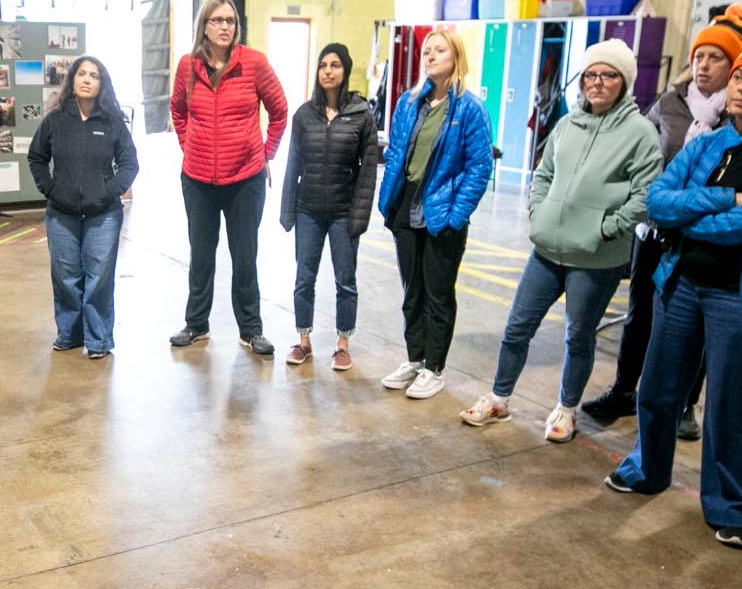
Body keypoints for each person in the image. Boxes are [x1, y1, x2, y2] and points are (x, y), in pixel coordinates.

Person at [604, 30, 742, 550]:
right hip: (683, 282)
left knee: (730, 402)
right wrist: (723, 197)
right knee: (657, 388)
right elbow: (659, 201)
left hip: (741, 293)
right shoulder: (711, 142)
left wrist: (691, 218)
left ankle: (733, 507)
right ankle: (646, 469)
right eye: (738, 76)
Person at [460, 39, 661, 440]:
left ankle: (566, 409)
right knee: (517, 327)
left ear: (624, 81)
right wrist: (540, 212)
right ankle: (499, 397)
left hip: (596, 257)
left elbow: (647, 193)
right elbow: (544, 172)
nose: (598, 82)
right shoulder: (568, 124)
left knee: (578, 336)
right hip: (547, 248)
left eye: (608, 75)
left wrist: (607, 227)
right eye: (591, 74)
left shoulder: (640, 133)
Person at [583, 5, 742, 430]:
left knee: (695, 320)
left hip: (704, 234)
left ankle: (684, 404)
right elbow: (644, 157)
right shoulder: (669, 104)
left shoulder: (740, 115)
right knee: (641, 313)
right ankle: (624, 389)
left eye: (716, 58)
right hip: (655, 228)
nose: (704, 65)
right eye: (699, 56)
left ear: (733, 66)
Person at [377, 26, 497, 401]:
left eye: (439, 50)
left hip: (441, 210)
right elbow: (397, 152)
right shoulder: (409, 102)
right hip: (405, 205)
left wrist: (456, 214)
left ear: (455, 58)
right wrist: (388, 199)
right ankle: (415, 358)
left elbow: (479, 167)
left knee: (438, 294)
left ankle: (435, 367)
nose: (430, 56)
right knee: (412, 292)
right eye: (427, 51)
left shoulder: (470, 109)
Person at [168, 0, 290, 355]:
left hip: (246, 180)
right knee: (201, 255)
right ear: (204, 26)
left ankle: (251, 329)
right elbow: (177, 110)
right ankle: (196, 324)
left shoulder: (253, 64)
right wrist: (190, 145)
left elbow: (280, 111)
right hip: (198, 179)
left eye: (231, 21)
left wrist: (265, 153)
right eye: (218, 20)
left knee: (244, 255)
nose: (225, 27)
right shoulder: (187, 66)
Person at [27, 55, 139, 359]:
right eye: (81, 74)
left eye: (94, 75)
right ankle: (69, 334)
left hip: (103, 215)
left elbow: (130, 164)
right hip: (61, 214)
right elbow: (36, 157)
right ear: (72, 80)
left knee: (99, 277)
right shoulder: (55, 120)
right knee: (65, 277)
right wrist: (50, 189)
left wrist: (108, 192)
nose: (87, 80)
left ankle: (99, 340)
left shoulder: (112, 122)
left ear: (102, 83)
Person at [279, 43, 380, 371]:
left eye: (335, 65)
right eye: (323, 65)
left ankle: (342, 343)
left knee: (345, 280)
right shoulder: (304, 115)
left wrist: (360, 215)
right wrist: (288, 210)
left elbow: (368, 171)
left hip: (343, 212)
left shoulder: (361, 115)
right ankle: (303, 341)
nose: (328, 70)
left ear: (345, 70)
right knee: (303, 278)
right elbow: (293, 164)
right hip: (308, 209)